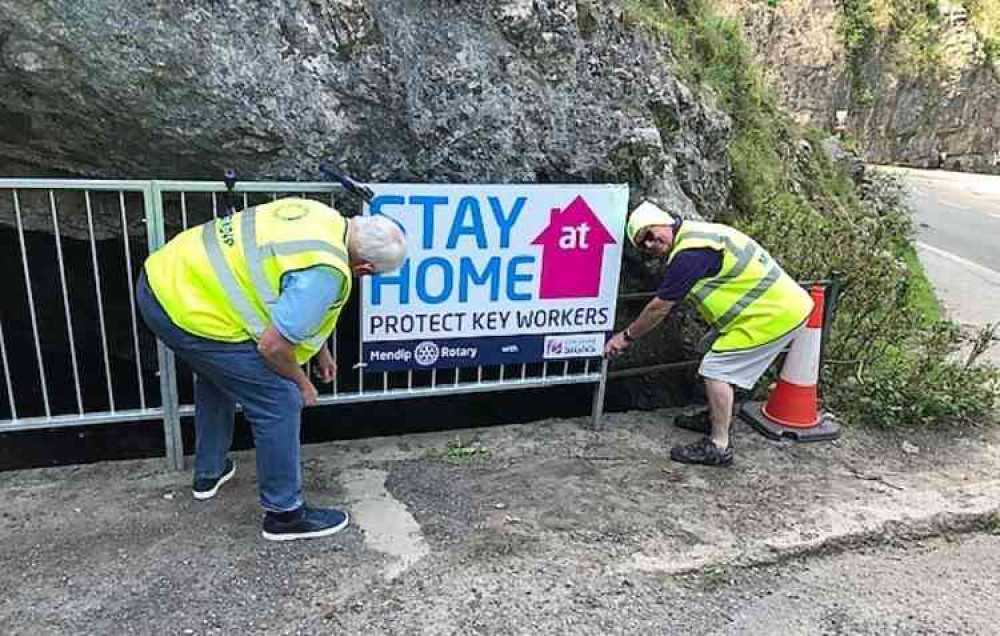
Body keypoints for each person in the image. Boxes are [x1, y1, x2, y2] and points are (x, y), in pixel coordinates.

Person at [137, 197, 406, 540]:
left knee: (219, 372)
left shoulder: (319, 215)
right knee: (279, 400)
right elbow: (272, 346)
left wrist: (320, 350)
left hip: (167, 276)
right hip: (185, 306)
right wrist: (301, 383)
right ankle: (284, 515)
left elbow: (279, 293)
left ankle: (209, 472)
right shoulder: (328, 272)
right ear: (364, 269)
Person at [604, 201, 813, 467]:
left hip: (773, 316)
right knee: (707, 348)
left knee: (716, 369)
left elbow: (659, 309)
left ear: (664, 223)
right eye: (642, 244)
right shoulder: (698, 235)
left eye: (649, 235)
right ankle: (717, 414)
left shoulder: (689, 255)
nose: (649, 244)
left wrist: (625, 337)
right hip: (773, 309)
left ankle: (718, 445)